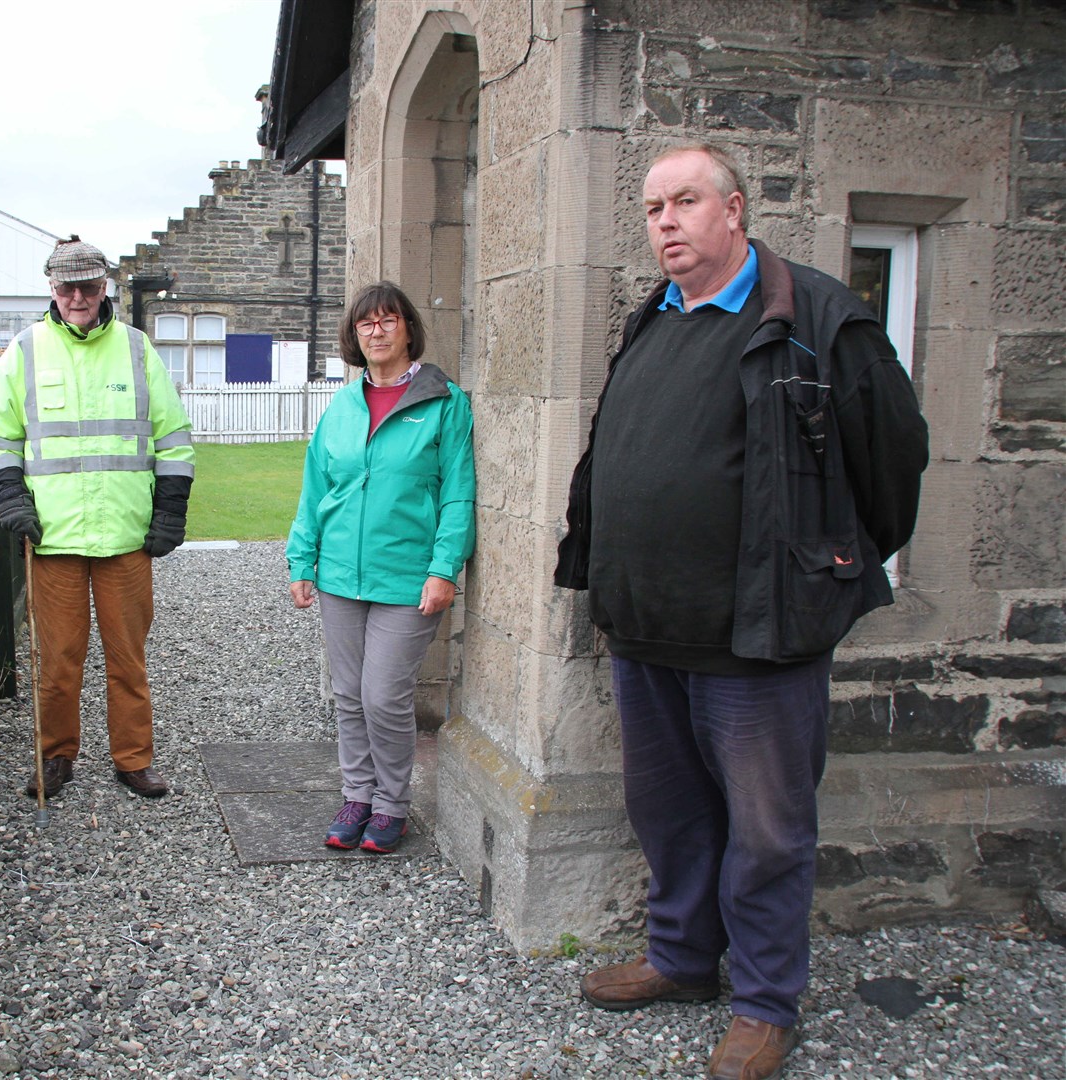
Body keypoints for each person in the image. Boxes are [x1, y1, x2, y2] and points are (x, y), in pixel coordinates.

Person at [554, 144, 929, 1080]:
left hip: (758, 638)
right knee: (668, 811)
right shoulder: (655, 321)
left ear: (735, 210)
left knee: (767, 831)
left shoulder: (818, 319)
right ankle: (683, 959)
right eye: (652, 208)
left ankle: (766, 1002)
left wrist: (824, 568)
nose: (667, 222)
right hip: (648, 627)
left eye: (686, 201)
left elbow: (894, 465)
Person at [0, 236, 195, 800]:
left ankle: (133, 759)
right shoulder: (24, 351)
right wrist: (10, 497)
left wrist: (170, 511)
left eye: (89, 286)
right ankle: (55, 757)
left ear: (105, 288)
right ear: (52, 288)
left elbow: (172, 437)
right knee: (58, 662)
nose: (78, 296)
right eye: (67, 286)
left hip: (126, 537)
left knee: (129, 658)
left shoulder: (137, 349)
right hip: (53, 539)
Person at [287, 281, 476, 854]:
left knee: (383, 695)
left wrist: (444, 569)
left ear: (408, 329)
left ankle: (393, 803)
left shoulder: (445, 403)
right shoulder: (341, 407)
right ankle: (357, 796)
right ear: (354, 336)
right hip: (341, 574)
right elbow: (316, 487)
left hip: (406, 576)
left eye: (387, 320)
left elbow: (458, 494)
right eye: (365, 324)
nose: (376, 331)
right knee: (347, 693)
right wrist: (302, 559)